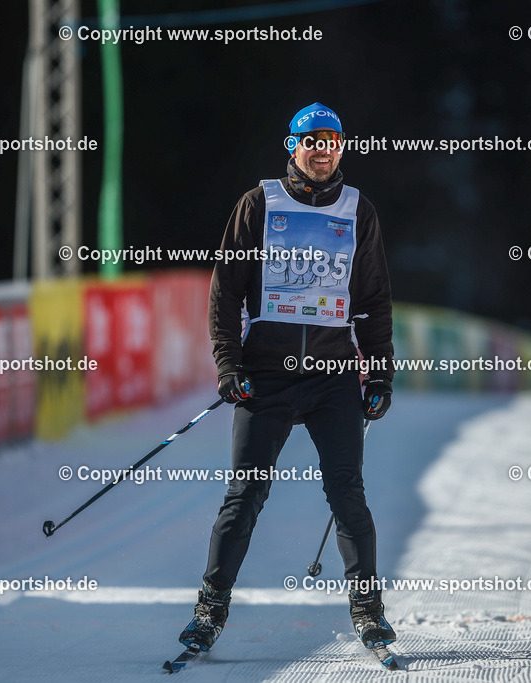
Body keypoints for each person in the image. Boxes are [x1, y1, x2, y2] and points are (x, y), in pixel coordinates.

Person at [179, 102, 396, 654]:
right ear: (292, 146)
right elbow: (226, 291)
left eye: (332, 140)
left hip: (333, 376)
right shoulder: (258, 204)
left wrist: (379, 373)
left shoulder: (357, 210)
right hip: (266, 374)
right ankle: (209, 611)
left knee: (348, 495)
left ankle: (369, 614)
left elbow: (371, 299)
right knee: (245, 494)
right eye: (312, 140)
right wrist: (228, 365)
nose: (323, 150)